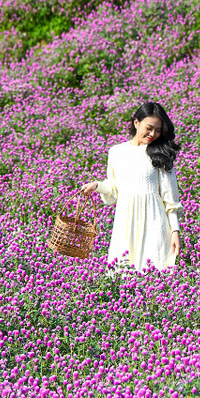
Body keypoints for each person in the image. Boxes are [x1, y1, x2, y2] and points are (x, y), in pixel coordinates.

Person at [80, 102, 183, 273]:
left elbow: (170, 198)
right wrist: (97, 185)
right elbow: (113, 190)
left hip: (155, 222)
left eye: (158, 130)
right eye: (149, 128)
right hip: (126, 222)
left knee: (156, 272)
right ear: (136, 122)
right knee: (122, 272)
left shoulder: (160, 154)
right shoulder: (116, 152)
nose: (153, 134)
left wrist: (175, 231)